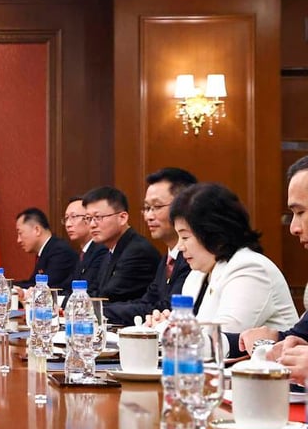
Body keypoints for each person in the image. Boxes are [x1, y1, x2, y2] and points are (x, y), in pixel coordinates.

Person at [170, 182, 296, 334]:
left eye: (185, 237)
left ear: (214, 233)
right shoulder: (197, 274)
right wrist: (162, 324)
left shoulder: (250, 269)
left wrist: (167, 330)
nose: (180, 246)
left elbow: (222, 336)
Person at [240, 158, 308, 377]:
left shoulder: (249, 267)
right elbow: (298, 337)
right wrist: (273, 339)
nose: (294, 228)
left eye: (301, 212)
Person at [104, 168, 196, 326]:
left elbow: (166, 308)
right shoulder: (167, 259)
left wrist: (99, 311)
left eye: (157, 207)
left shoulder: (193, 258)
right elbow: (147, 303)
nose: (148, 216)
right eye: (147, 208)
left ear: (183, 207)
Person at [83, 186, 159, 304]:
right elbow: (94, 290)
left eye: (98, 217)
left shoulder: (137, 252)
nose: (92, 225)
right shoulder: (109, 250)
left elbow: (108, 297)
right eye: (88, 218)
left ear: (122, 218)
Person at [14, 207, 77, 290]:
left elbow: (45, 286)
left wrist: (11, 286)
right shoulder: (46, 250)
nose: (18, 240)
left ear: (37, 230)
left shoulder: (60, 251)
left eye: (20, 233)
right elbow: (33, 282)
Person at [62, 195, 108, 296]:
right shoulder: (83, 253)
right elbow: (67, 287)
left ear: (88, 219)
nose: (68, 224)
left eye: (74, 217)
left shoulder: (101, 250)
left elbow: (89, 290)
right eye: (66, 218)